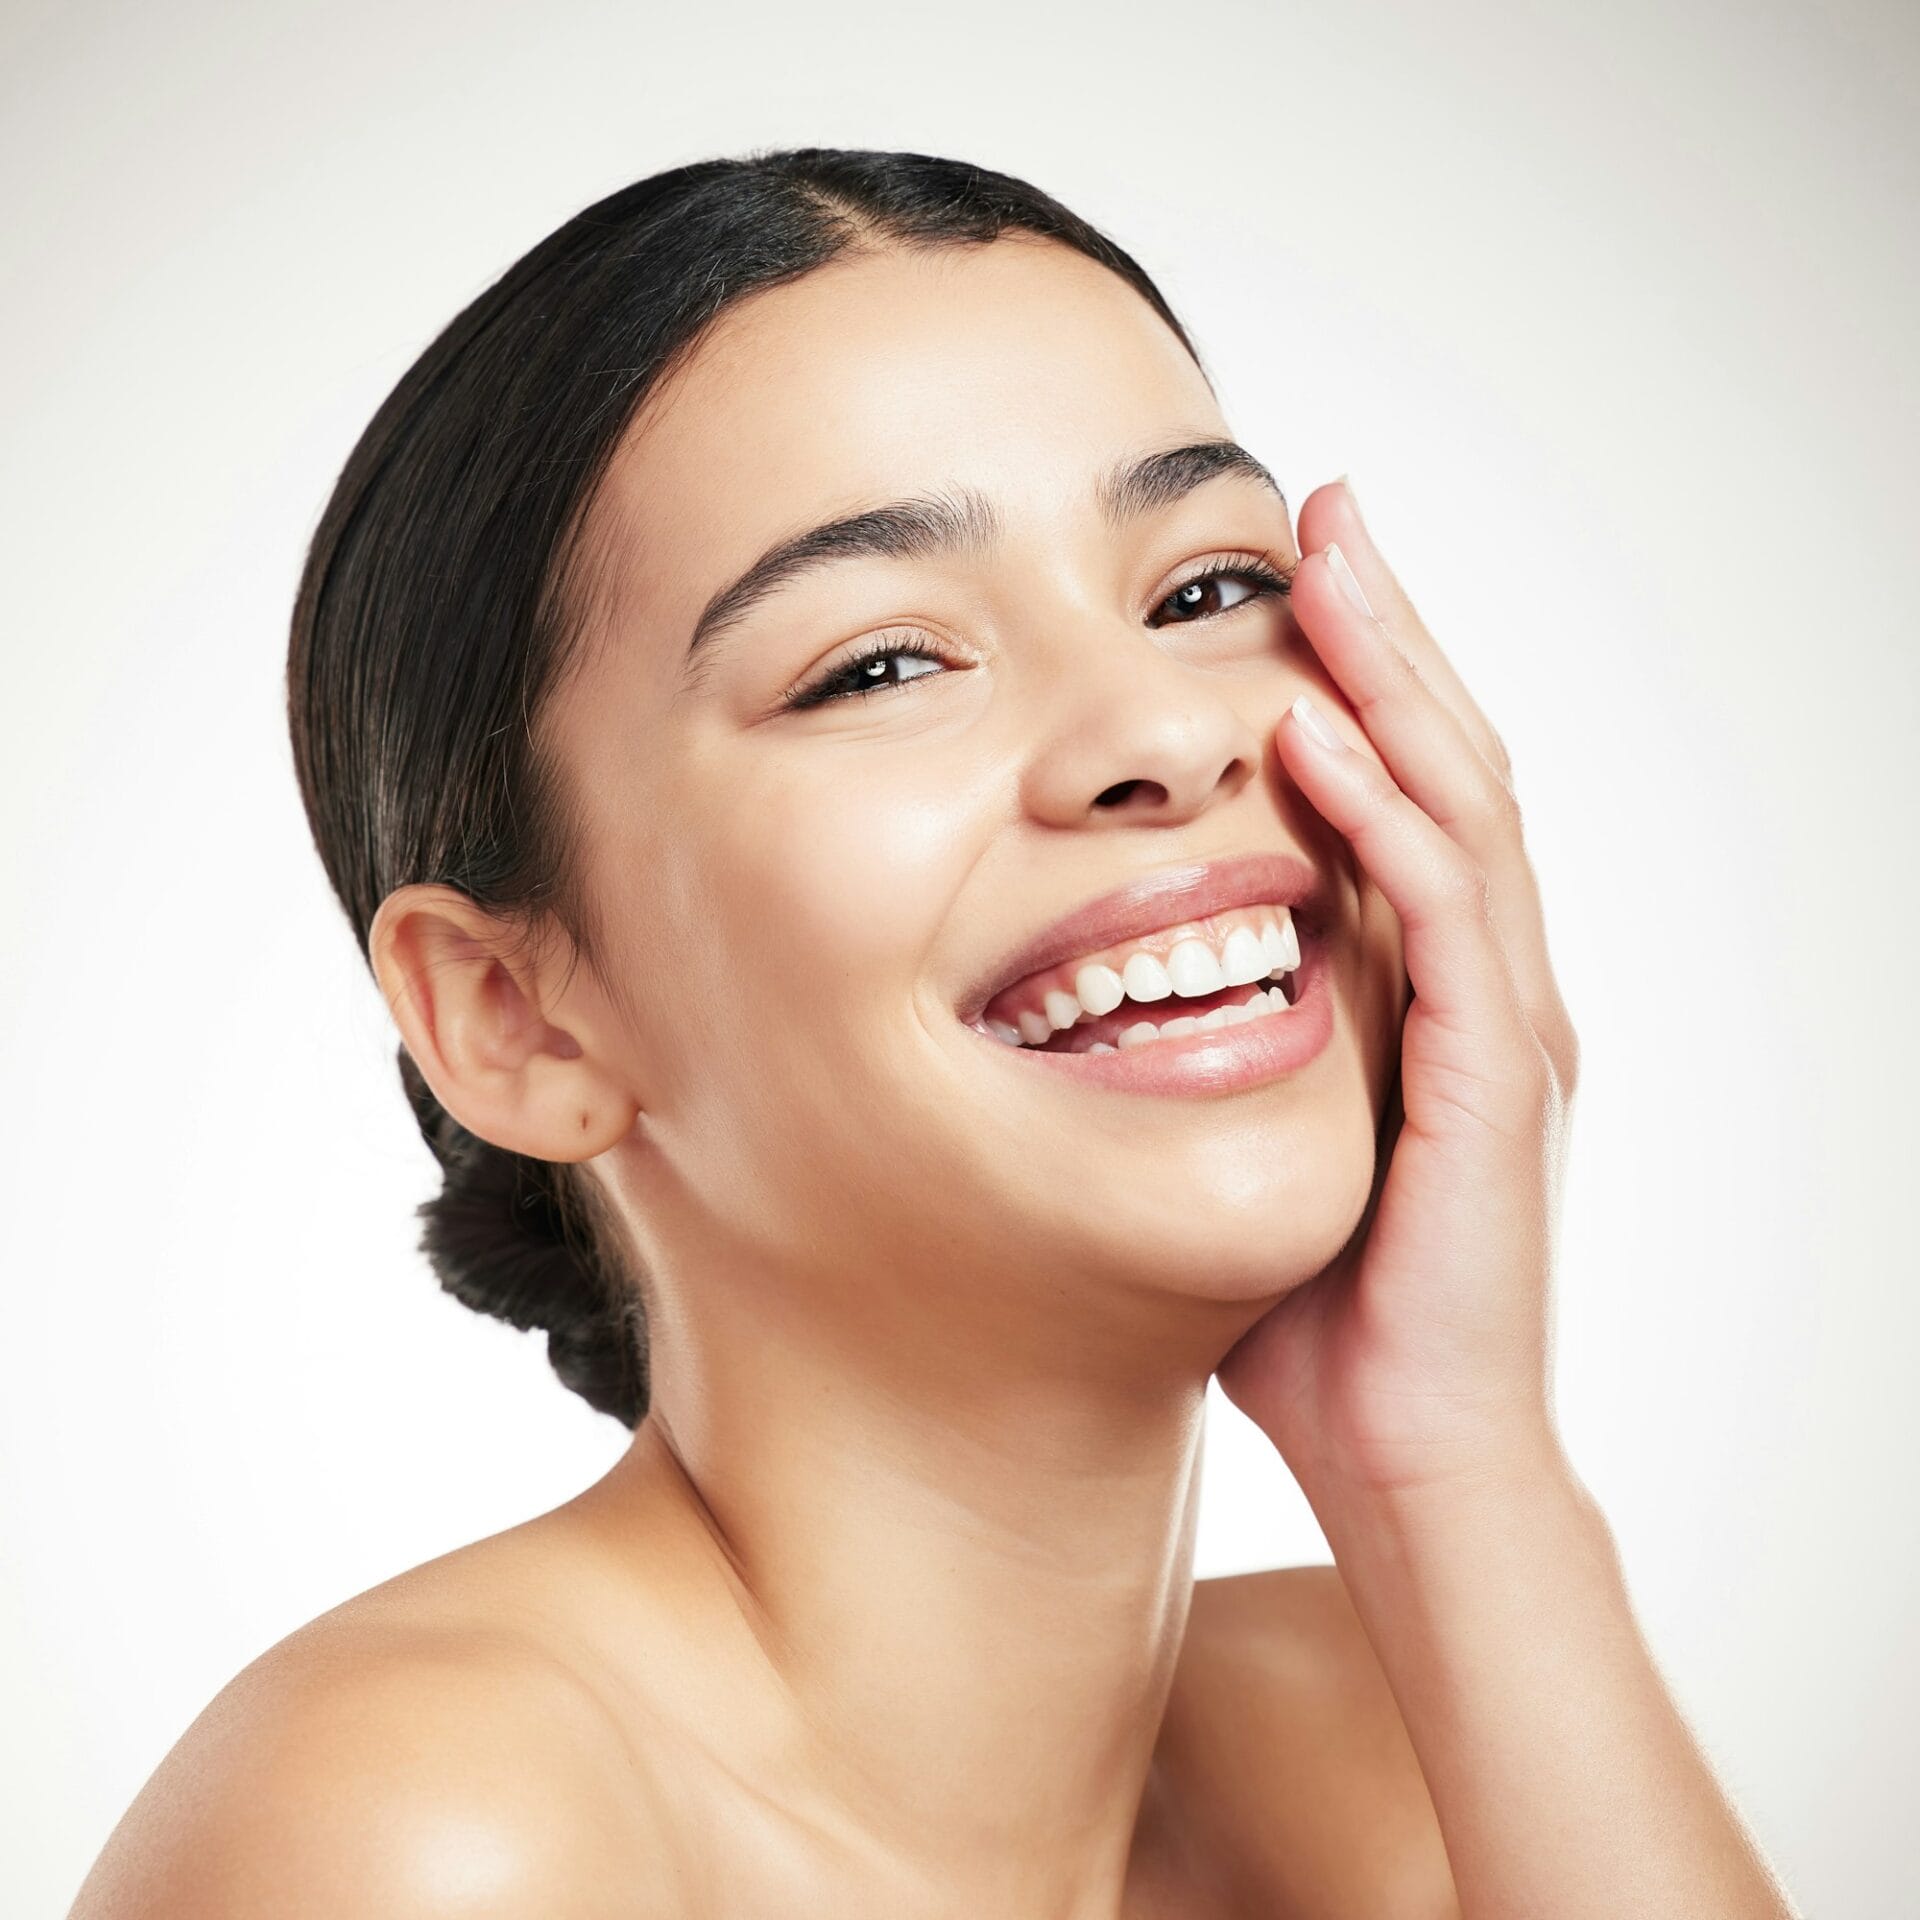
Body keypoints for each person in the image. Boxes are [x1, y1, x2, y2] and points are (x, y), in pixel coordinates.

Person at [70, 146, 1800, 1919]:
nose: (1164, 727)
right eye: (882, 664)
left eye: (1207, 588)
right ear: (517, 1018)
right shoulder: (415, 1837)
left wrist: (1461, 1466)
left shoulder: (1403, 1726)